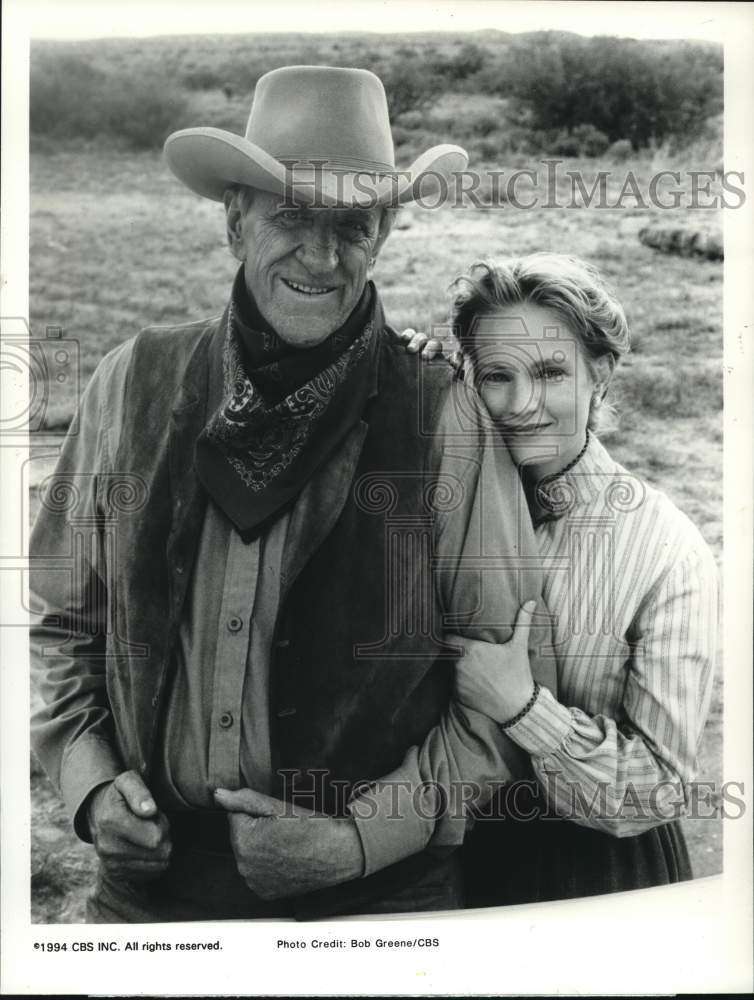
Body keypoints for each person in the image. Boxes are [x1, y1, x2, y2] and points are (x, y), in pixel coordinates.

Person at [29, 66, 555, 922]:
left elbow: (506, 691)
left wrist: (354, 841)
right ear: (235, 219)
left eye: (352, 224)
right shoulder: (129, 385)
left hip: (379, 908)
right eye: (291, 215)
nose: (321, 254)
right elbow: (62, 622)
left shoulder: (443, 416)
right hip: (148, 900)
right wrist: (90, 787)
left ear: (383, 233)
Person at [401, 253, 718, 904]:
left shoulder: (666, 549)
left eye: (550, 372)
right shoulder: (436, 493)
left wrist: (525, 710)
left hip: (593, 873)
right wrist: (414, 389)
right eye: (496, 376)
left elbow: (659, 787)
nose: (521, 405)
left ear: (599, 376)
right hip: (440, 859)